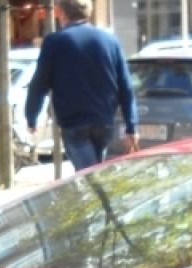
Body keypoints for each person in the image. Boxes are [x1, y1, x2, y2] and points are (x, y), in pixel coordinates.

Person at [24, 0, 137, 171]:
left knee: (88, 176)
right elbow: (126, 86)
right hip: (104, 121)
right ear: (89, 13)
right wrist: (131, 125)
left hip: (74, 123)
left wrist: (31, 116)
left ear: (61, 13)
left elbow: (39, 84)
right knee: (95, 172)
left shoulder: (54, 42)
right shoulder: (110, 40)